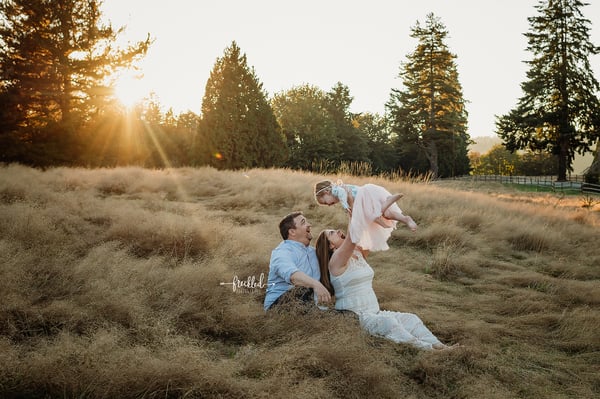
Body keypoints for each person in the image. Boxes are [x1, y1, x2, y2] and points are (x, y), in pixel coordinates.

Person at [315, 225, 455, 350]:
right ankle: (427, 350)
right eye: (332, 233)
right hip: (356, 317)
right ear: (330, 246)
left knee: (411, 318)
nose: (339, 231)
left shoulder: (358, 253)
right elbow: (353, 235)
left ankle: (439, 346)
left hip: (374, 311)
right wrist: (353, 211)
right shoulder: (335, 262)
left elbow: (368, 233)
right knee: (389, 323)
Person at [314, 179, 417, 252]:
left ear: (327, 192)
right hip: (364, 199)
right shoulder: (337, 193)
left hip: (364, 196)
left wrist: (346, 207)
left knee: (371, 215)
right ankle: (406, 219)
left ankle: (388, 203)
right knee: (387, 214)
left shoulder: (337, 190)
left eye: (325, 202)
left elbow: (343, 195)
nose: (327, 205)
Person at [263, 211, 332, 311]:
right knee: (303, 288)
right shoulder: (282, 252)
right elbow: (293, 276)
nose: (309, 225)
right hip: (278, 308)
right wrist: (316, 284)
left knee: (349, 315)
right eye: (303, 222)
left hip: (310, 307)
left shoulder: (313, 252)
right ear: (292, 232)